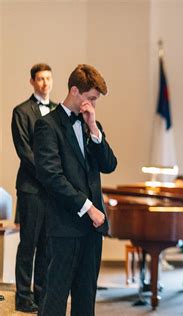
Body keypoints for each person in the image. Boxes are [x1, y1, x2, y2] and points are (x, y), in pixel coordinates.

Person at [34, 64, 117, 315]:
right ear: (74, 91)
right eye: (91, 98)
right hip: (64, 227)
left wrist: (93, 128)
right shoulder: (47, 126)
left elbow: (109, 165)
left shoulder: (92, 123)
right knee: (54, 298)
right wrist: (88, 207)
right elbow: (51, 177)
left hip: (92, 230)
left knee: (85, 298)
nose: (93, 104)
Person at [12, 63, 57, 313]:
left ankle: (41, 294)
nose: (45, 83)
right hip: (31, 188)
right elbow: (24, 151)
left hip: (52, 191)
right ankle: (22, 297)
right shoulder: (21, 111)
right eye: (40, 79)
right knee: (28, 244)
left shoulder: (58, 111)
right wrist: (49, 175)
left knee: (47, 245)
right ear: (32, 82)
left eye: (48, 78)